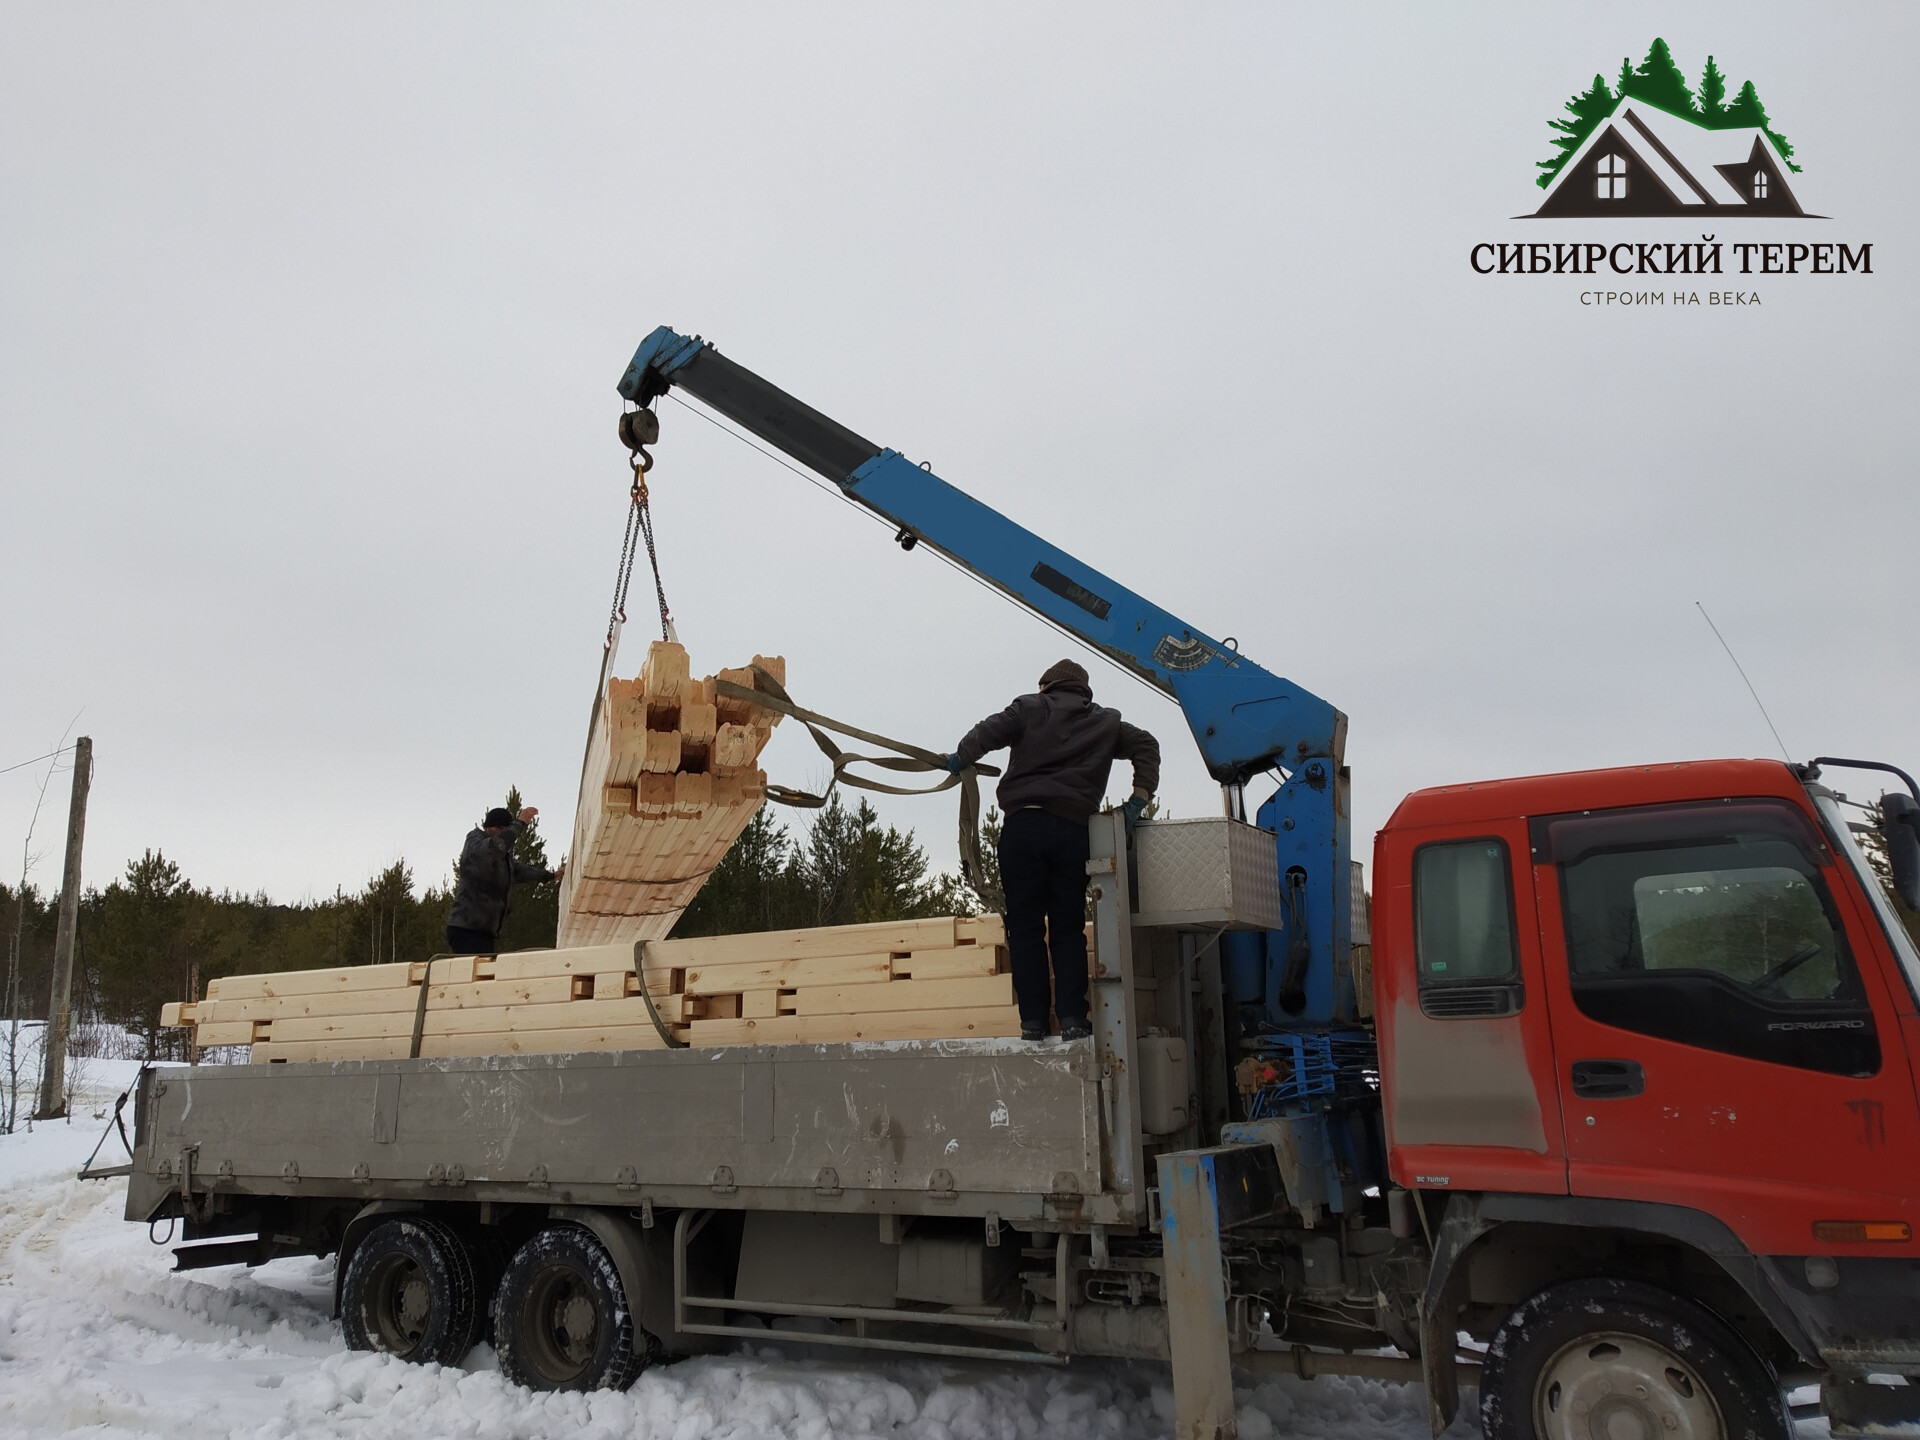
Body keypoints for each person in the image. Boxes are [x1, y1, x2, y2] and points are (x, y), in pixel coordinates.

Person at [944, 659, 1159, 1043]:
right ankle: (1074, 1019)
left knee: (1025, 929)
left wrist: (962, 757)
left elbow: (987, 732)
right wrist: (1138, 800)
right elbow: (1147, 744)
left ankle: (1033, 1023)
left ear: (1046, 684)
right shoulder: (1106, 723)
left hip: (1024, 827)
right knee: (1067, 929)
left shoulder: (1029, 706)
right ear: (1083, 690)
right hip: (1074, 832)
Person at [446, 805, 563, 955]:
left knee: (485, 974)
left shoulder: (502, 859)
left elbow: (522, 871)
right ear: (488, 827)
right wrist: (519, 824)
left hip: (484, 932)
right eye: (500, 829)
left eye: (505, 830)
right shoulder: (475, 843)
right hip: (466, 928)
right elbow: (495, 847)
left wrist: (552, 875)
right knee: (475, 973)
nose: (503, 834)